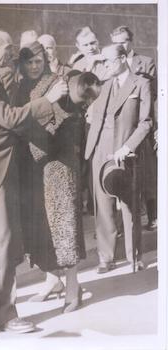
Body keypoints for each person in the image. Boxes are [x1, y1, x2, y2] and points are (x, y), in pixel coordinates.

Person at [0, 28, 68, 333]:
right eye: (8, 49)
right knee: (3, 238)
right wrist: (47, 99)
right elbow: (8, 117)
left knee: (4, 236)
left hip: (4, 165)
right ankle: (4, 315)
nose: (12, 54)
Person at [15, 41, 99, 312]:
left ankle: (73, 286)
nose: (34, 66)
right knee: (41, 228)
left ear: (47, 59)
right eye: (28, 61)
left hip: (59, 167)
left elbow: (69, 121)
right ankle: (53, 280)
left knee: (65, 227)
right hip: (34, 168)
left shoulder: (60, 84)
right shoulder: (21, 88)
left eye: (38, 60)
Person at [85, 44, 153, 274]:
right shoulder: (103, 86)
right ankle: (106, 257)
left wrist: (127, 146)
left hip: (125, 150)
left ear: (123, 58)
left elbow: (146, 122)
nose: (105, 66)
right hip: (100, 150)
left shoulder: (141, 83)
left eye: (109, 61)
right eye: (103, 62)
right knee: (102, 205)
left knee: (129, 206)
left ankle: (134, 255)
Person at [110, 25, 157, 231]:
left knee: (146, 175)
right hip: (121, 127)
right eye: (117, 42)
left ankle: (153, 216)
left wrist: (156, 126)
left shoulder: (145, 62)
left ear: (131, 40)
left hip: (142, 124)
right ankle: (122, 225)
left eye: (125, 41)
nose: (121, 45)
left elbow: (154, 97)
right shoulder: (111, 65)